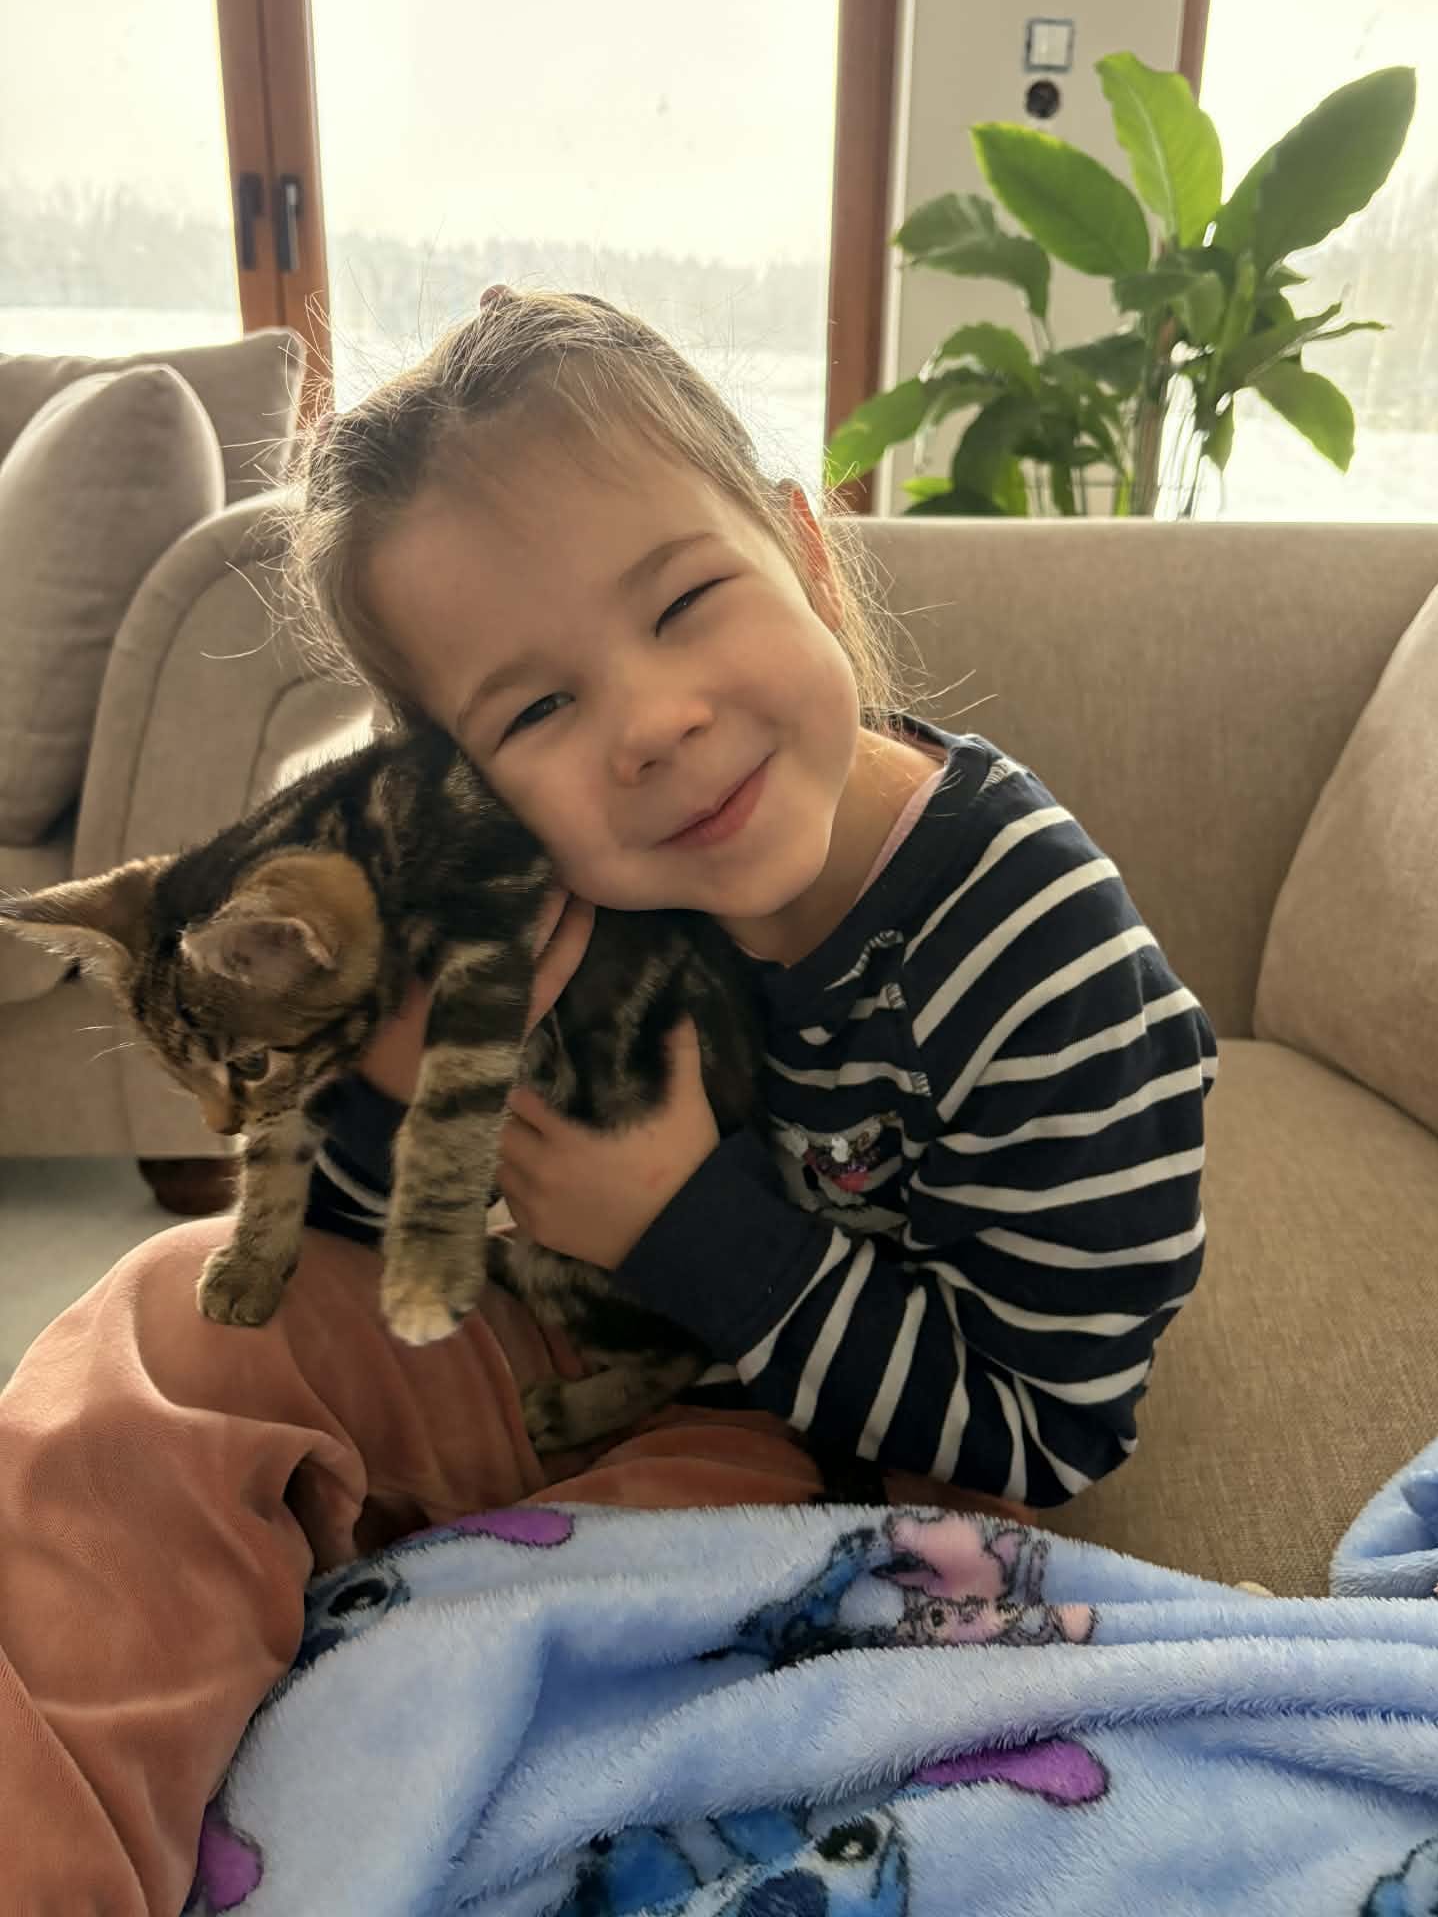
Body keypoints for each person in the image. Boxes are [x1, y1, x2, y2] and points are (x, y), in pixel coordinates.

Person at [0, 288, 1216, 1913]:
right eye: (536, 709)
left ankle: (400, 1694)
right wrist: (384, 1079)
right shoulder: (554, 889)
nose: (652, 724)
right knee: (167, 1322)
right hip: (581, 1332)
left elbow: (1046, 1431)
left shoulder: (1037, 949)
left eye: (687, 600)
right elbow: (387, 1239)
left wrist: (681, 1224)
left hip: (832, 1441)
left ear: (805, 552)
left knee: (584, 1622)